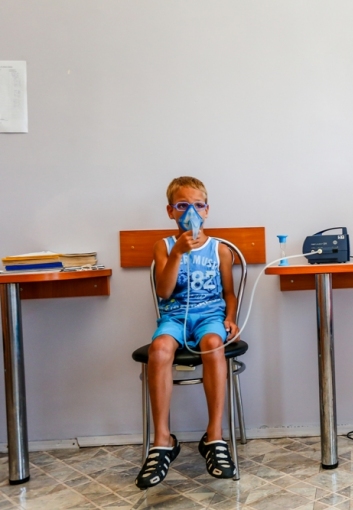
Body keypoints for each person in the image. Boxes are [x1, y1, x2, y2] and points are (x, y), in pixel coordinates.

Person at [135, 176, 240, 489]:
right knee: (159, 350)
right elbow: (164, 292)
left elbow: (229, 293)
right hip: (174, 317)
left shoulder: (220, 250)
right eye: (182, 206)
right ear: (170, 211)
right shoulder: (164, 246)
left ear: (207, 210)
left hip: (210, 316)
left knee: (213, 344)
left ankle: (215, 437)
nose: (190, 212)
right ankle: (162, 441)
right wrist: (178, 254)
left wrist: (231, 318)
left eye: (197, 205)